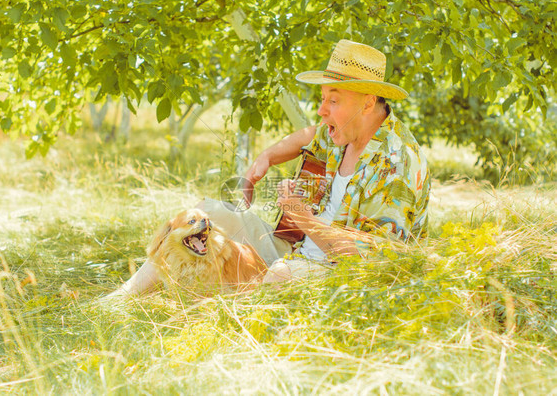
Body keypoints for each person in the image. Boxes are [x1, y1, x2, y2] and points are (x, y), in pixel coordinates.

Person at [106, 39, 430, 297]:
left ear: (368, 101)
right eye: (322, 98)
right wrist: (265, 158)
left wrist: (302, 216)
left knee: (277, 276)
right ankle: (122, 299)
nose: (321, 110)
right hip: (295, 249)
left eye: (333, 100)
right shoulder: (344, 130)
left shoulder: (395, 164)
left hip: (335, 274)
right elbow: (307, 136)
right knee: (205, 213)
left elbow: (380, 260)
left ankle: (226, 305)